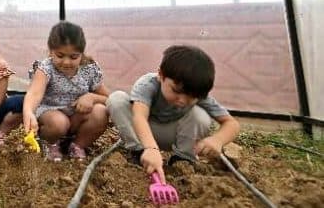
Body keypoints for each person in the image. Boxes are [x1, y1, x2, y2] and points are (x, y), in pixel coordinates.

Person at [106, 45, 240, 184]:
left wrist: (218, 140)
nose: (182, 100)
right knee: (116, 99)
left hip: (173, 135)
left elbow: (232, 123)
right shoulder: (147, 84)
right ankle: (138, 152)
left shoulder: (199, 94)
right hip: (144, 132)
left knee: (201, 115)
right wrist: (150, 148)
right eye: (176, 91)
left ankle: (182, 160)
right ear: (161, 75)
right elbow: (139, 116)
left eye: (191, 97)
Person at [22, 21, 110, 162]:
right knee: (59, 123)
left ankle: (77, 145)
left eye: (73, 57)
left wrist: (92, 97)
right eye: (60, 56)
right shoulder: (46, 68)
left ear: (81, 54)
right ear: (51, 51)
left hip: (76, 116)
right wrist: (28, 112)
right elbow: (34, 93)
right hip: (51, 116)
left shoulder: (89, 69)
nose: (67, 62)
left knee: (101, 112)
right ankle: (50, 143)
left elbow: (108, 98)